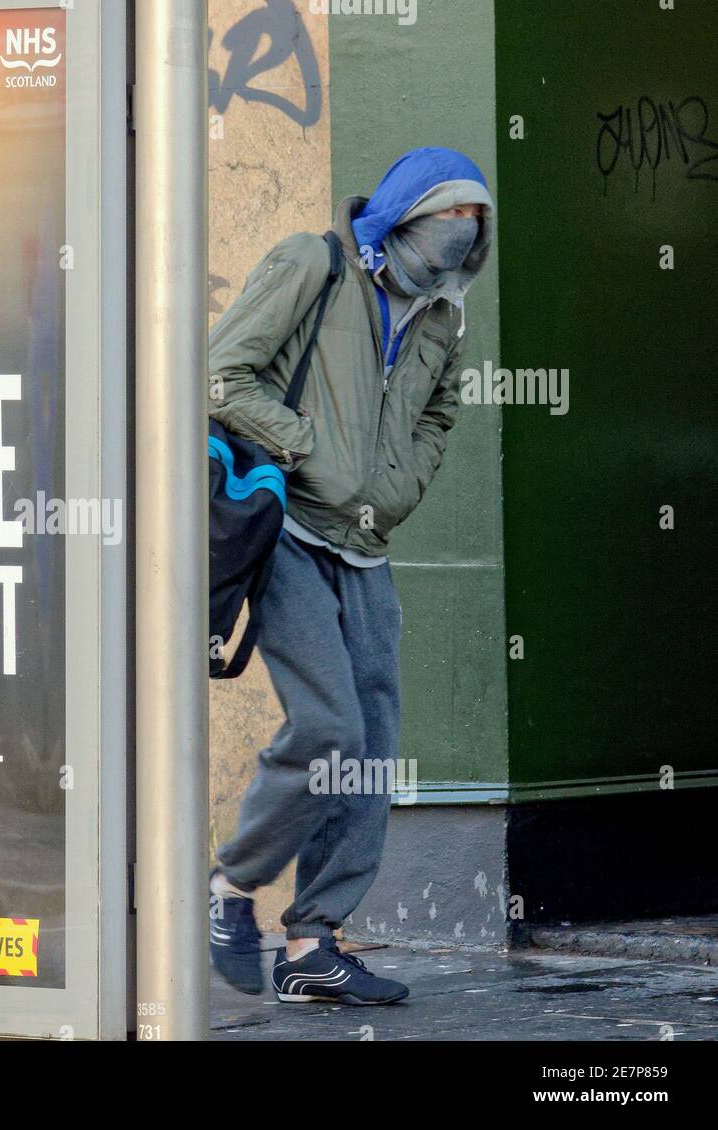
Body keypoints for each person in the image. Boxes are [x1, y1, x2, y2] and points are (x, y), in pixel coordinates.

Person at [207, 147, 494, 1005]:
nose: (465, 233)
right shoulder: (316, 263)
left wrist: (402, 483)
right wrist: (303, 445)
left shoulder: (443, 315)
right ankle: (229, 888)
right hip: (289, 529)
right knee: (328, 725)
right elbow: (220, 373)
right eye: (453, 214)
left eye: (478, 221)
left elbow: (439, 410)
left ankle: (310, 944)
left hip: (367, 545)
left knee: (369, 748)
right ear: (410, 212)